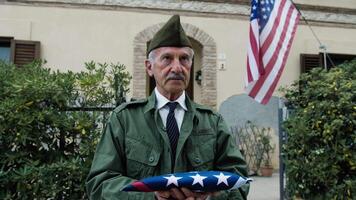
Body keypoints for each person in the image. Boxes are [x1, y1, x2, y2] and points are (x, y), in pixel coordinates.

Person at [86, 15, 249, 200]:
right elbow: (100, 183)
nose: (177, 67)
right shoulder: (125, 119)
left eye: (184, 59)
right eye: (167, 58)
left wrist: (210, 198)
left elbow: (239, 181)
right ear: (149, 67)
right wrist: (152, 197)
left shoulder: (212, 121)